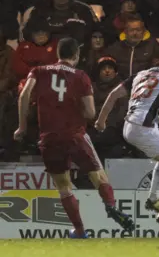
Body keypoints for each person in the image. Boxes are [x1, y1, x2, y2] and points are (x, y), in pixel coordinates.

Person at [13, 38, 133, 238]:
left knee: (64, 187)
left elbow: (24, 95)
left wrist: (21, 127)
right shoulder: (81, 76)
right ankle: (111, 206)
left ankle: (79, 230)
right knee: (98, 175)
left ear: (58, 53)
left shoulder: (39, 71)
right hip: (75, 135)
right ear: (76, 55)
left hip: (49, 138)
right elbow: (90, 113)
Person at [95, 49, 159, 229]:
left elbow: (113, 95)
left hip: (129, 124)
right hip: (142, 128)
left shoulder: (141, 74)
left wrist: (101, 120)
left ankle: (152, 199)